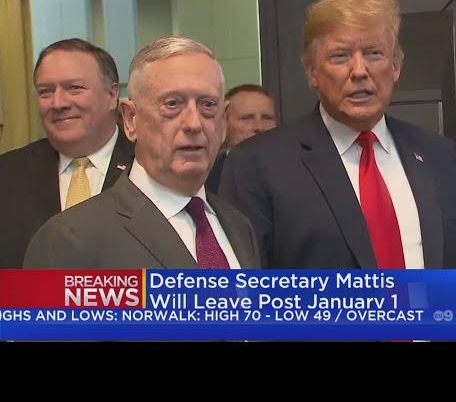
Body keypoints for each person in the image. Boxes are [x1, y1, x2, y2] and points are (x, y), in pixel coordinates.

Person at [218, 0, 456, 269]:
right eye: (340, 56)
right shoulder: (256, 165)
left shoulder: (443, 157)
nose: (359, 71)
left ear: (395, 66)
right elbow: (244, 287)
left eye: (374, 53)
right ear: (312, 72)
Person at [24, 36, 261, 269]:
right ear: (130, 119)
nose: (193, 123)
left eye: (207, 105)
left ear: (223, 120)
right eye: (172, 104)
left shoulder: (238, 227)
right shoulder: (69, 238)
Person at [0, 38, 135, 269]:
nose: (58, 103)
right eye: (46, 91)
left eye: (74, 88)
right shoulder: (8, 173)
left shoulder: (149, 166)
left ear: (112, 95)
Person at [205, 84, 277, 193]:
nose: (259, 127)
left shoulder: (294, 171)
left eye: (267, 118)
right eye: (247, 118)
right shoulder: (203, 177)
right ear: (224, 124)